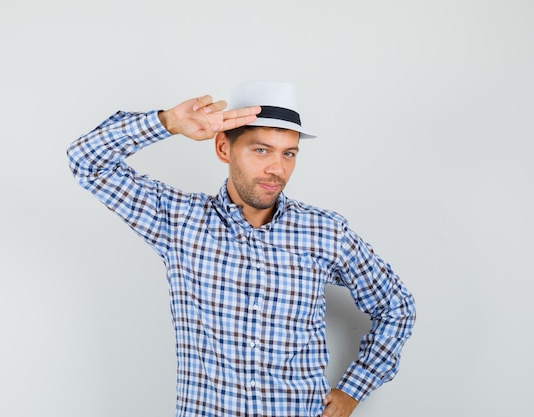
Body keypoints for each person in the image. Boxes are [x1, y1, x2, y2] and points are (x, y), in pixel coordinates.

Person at [67, 80, 416, 417]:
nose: (277, 169)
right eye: (261, 150)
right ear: (223, 148)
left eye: (289, 153)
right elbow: (86, 161)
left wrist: (354, 390)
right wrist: (168, 122)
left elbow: (396, 305)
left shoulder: (324, 231)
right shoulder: (177, 221)